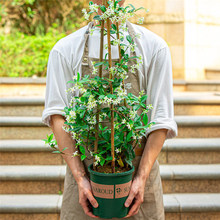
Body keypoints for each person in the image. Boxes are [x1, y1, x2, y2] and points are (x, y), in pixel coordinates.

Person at [42, 0, 178, 219]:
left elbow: (161, 119)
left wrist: (141, 179)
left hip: (138, 174)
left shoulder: (154, 47)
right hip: (85, 177)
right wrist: (80, 179)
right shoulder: (65, 50)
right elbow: (58, 117)